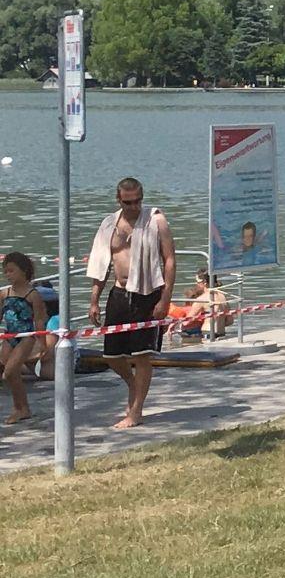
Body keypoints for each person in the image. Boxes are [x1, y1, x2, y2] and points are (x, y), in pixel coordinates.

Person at [86, 176, 175, 429]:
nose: (134, 206)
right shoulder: (109, 225)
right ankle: (134, 387)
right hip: (119, 293)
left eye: (138, 201)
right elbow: (100, 265)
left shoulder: (156, 220)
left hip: (147, 292)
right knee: (112, 355)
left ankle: (136, 411)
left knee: (142, 356)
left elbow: (169, 260)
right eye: (128, 202)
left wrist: (165, 299)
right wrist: (94, 300)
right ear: (119, 200)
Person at [1, 251, 48, 426]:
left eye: (11, 271)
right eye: (5, 272)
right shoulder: (4, 294)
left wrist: (42, 344)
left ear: (24, 271)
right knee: (12, 374)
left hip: (26, 336)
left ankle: (20, 409)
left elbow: (39, 320)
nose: (8, 275)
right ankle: (22, 408)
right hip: (9, 335)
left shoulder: (32, 294)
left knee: (9, 372)